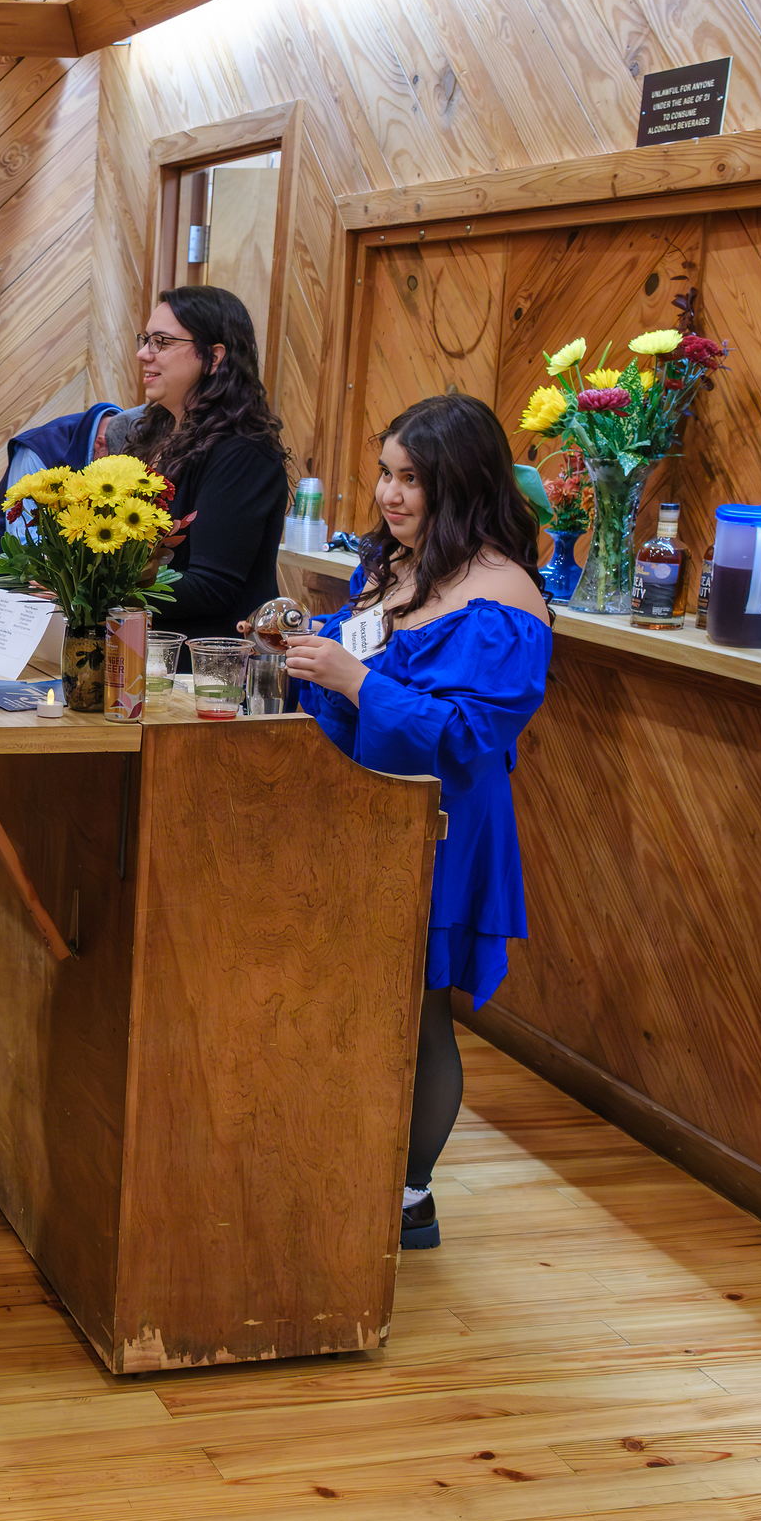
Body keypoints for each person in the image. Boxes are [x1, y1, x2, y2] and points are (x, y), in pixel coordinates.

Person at [286, 392, 552, 1254]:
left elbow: (468, 736)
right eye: (385, 473)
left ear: (460, 483)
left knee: (420, 1008)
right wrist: (297, 649)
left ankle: (410, 1196)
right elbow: (353, 667)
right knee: (359, 996)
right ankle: (347, 1160)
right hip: (364, 808)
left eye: (411, 479)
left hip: (444, 823)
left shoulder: (504, 597)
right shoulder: (398, 567)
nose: (389, 494)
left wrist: (354, 680)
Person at [126, 286, 288, 640]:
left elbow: (212, 587)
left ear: (214, 357)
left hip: (210, 660)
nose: (143, 353)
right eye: (145, 340)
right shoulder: (154, 433)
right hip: (145, 648)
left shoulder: (244, 454)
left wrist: (98, 586)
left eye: (161, 342)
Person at [0, 399, 143, 586]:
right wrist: (58, 581)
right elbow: (23, 536)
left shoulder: (133, 434)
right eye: (115, 468)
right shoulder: (40, 448)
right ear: (100, 444)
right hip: (9, 576)